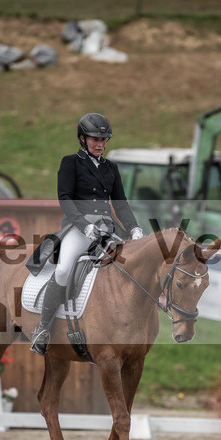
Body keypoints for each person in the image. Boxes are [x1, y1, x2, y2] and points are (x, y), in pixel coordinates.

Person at [30, 112, 144, 355]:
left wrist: (134, 228)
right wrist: (84, 225)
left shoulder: (111, 168)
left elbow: (121, 203)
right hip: (79, 228)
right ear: (82, 139)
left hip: (107, 229)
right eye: (95, 140)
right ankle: (42, 328)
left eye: (104, 141)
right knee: (62, 269)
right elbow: (65, 199)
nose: (100, 145)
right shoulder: (70, 163)